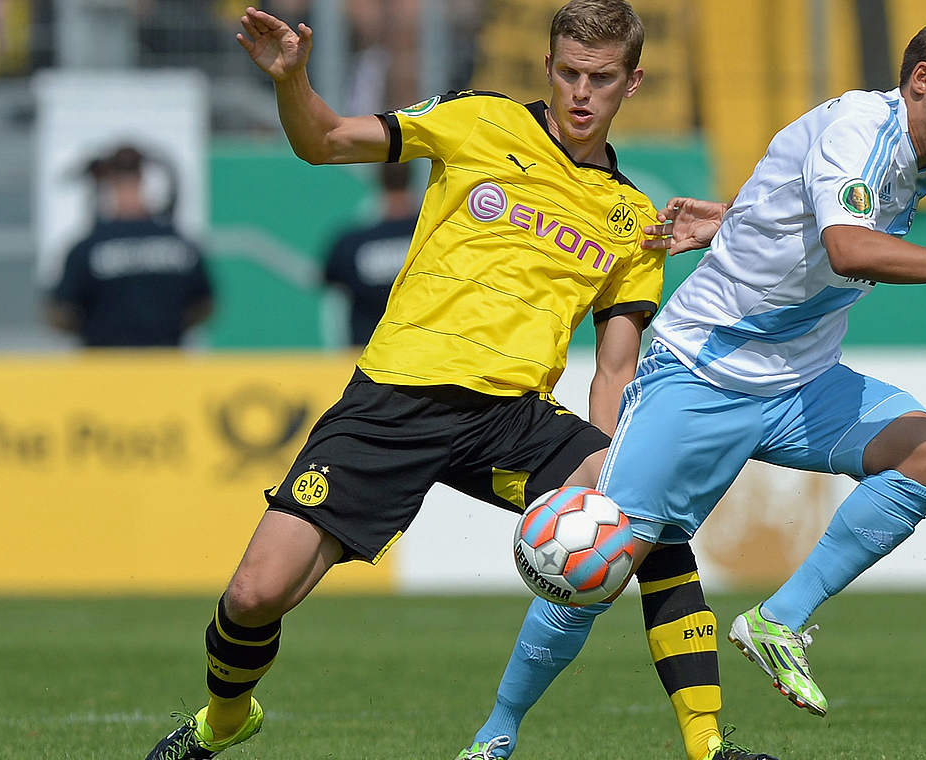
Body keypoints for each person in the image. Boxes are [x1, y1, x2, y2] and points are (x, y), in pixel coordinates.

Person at [142, 4, 770, 760]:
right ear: (546, 67)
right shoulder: (479, 122)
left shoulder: (631, 218)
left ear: (632, 83)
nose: (580, 92)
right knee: (254, 594)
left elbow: (615, 365)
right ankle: (224, 717)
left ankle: (708, 746)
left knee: (650, 514)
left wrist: (612, 482)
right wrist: (293, 81)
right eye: (567, 73)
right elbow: (326, 140)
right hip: (391, 401)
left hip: (512, 418)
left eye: (600, 79)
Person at [465, 14, 926, 747]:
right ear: (922, 80)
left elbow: (795, 211)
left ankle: (779, 619)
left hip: (799, 380)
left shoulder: (916, 157)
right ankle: (496, 736)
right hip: (703, 370)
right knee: (594, 565)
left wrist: (729, 221)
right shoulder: (861, 127)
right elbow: (848, 249)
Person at [47, 144, 214, 347]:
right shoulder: (181, 244)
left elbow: (60, 313)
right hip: (166, 363)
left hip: (104, 365)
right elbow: (204, 306)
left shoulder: (89, 247)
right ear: (144, 180)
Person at [321, 162, 417, 347]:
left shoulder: (352, 243)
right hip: (423, 354)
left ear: (379, 179)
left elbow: (329, 281)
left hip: (368, 355)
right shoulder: (433, 238)